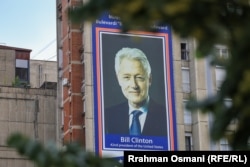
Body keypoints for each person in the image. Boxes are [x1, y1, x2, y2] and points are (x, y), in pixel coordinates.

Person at [105, 47, 168, 136]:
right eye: (126, 77)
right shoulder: (107, 116)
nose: (134, 85)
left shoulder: (166, 116)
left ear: (149, 79)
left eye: (139, 77)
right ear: (118, 79)